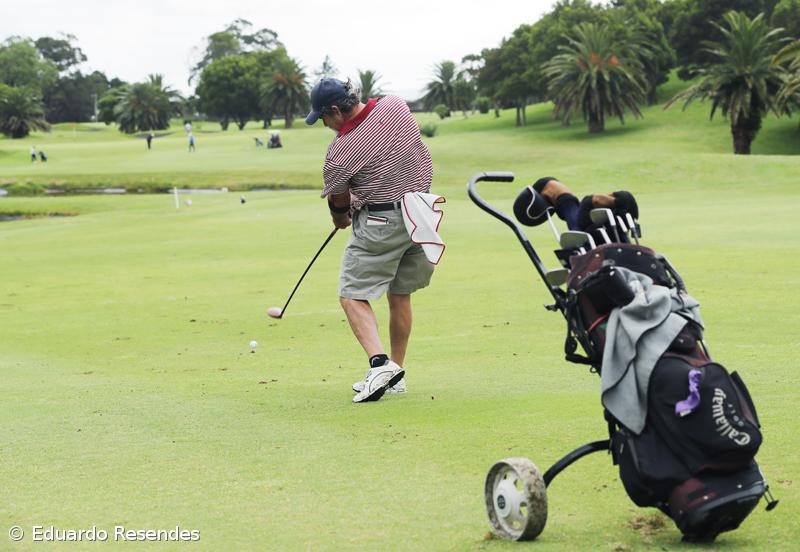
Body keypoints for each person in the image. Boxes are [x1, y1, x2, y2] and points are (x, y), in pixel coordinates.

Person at [305, 78, 436, 404]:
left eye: (323, 117)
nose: (324, 124)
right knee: (400, 294)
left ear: (335, 110)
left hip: (381, 223)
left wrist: (340, 216)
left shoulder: (339, 151)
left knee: (351, 295)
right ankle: (396, 374)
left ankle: (379, 365)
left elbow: (339, 203)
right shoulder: (396, 105)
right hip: (421, 215)